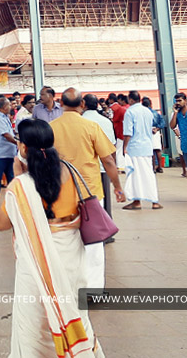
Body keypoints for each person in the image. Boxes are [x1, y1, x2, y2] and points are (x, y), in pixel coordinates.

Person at [0, 119, 105, 357]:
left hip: (35, 261)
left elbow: (1, 224)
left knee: (34, 318)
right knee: (73, 307)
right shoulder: (71, 172)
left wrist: (15, 179)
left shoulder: (22, 185)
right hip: (71, 253)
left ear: (23, 149)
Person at [51, 88, 125, 290]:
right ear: (82, 104)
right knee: (93, 242)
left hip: (60, 193)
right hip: (90, 192)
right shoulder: (91, 127)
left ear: (60, 103)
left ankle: (68, 287)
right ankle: (92, 289)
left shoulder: (51, 128)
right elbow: (108, 160)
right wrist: (117, 187)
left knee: (66, 242)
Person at [122, 91, 161, 210]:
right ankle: (154, 201)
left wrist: (124, 147)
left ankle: (136, 201)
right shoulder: (147, 111)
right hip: (147, 147)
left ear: (131, 100)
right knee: (148, 174)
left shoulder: (130, 112)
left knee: (135, 175)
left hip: (135, 147)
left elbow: (128, 132)